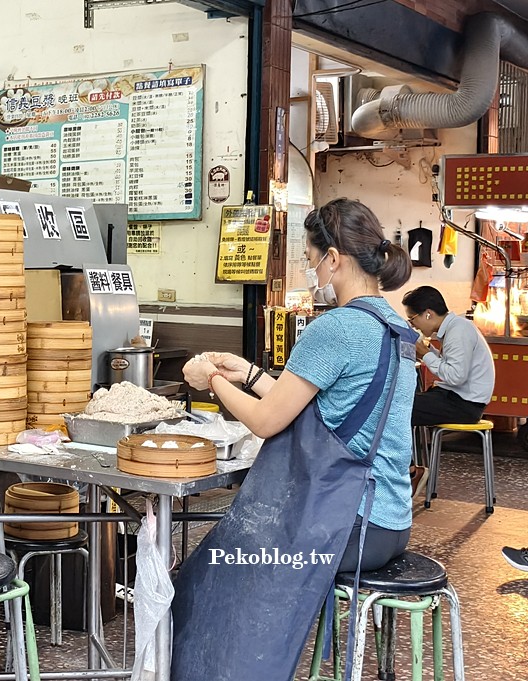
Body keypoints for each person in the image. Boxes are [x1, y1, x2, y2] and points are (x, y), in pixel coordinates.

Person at [173, 198, 417, 681]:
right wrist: (247, 372)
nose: (310, 269)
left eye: (310, 258)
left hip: (346, 525)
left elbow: (266, 421)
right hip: (390, 523)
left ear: (334, 258)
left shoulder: (338, 327)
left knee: (215, 563)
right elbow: (309, 406)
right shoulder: (395, 327)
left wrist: (210, 381)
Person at [402, 285, 494, 426]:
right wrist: (426, 351)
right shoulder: (455, 327)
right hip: (456, 397)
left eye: (412, 319)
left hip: (465, 405)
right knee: (402, 400)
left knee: (398, 407)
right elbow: (449, 365)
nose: (413, 325)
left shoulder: (458, 331)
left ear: (428, 314)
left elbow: (456, 376)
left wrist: (425, 354)